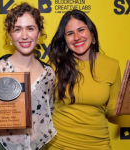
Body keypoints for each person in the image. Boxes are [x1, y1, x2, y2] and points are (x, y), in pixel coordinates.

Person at [0, 2, 56, 150]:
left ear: (39, 33)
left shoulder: (49, 75)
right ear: (9, 34)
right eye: (17, 29)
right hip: (0, 146)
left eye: (30, 28)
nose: (24, 35)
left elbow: (49, 112)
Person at [45, 10, 121, 150]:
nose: (77, 37)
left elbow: (112, 110)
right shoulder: (55, 65)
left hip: (98, 144)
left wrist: (125, 103)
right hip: (58, 144)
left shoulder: (112, 65)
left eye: (81, 30)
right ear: (65, 41)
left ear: (91, 33)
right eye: (70, 33)